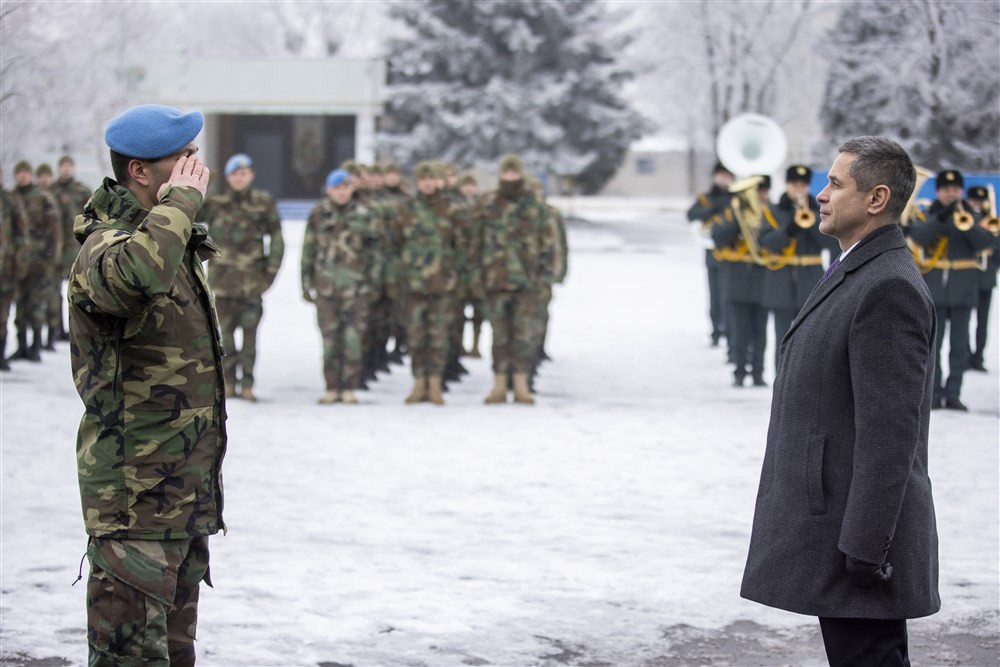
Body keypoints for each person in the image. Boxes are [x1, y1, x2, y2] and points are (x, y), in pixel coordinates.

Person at [742, 136, 939, 667]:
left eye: (835, 183)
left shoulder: (887, 287)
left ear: (876, 199)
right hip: (842, 524)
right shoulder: (861, 268)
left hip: (859, 539)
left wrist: (866, 548)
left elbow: (890, 435)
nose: (821, 195)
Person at [67, 104, 223, 665]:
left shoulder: (165, 237)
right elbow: (137, 277)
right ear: (140, 171)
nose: (194, 170)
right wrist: (180, 205)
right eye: (182, 160)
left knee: (176, 652)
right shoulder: (104, 247)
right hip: (133, 500)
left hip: (180, 494)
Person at [473, 154, 558, 405]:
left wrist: (545, 277)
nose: (510, 178)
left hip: (526, 283)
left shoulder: (535, 207)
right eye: (506, 173)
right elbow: (474, 244)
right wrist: (476, 275)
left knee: (522, 336)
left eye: (514, 173)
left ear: (521, 175)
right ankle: (499, 383)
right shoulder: (487, 204)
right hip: (495, 281)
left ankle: (521, 383)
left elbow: (549, 245)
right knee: (499, 336)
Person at [201, 153, 284, 402]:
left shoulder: (263, 202)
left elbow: (277, 238)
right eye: (235, 174)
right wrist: (202, 188)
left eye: (244, 174)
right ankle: (228, 383)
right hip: (223, 282)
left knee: (250, 337)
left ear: (252, 176)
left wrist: (270, 273)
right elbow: (190, 215)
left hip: (251, 282)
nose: (240, 178)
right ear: (228, 177)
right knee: (224, 336)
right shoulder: (216, 203)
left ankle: (248, 384)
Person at [909, 169, 993, 410]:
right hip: (934, 287)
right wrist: (941, 218)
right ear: (938, 192)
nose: (950, 194)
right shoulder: (928, 214)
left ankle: (953, 392)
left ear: (960, 191)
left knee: (958, 344)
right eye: (946, 190)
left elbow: (985, 243)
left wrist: (965, 222)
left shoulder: (972, 215)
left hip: (962, 287)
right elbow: (919, 238)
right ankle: (934, 392)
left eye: (955, 190)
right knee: (933, 344)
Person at [301, 169, 378, 404]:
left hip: (356, 288)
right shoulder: (318, 215)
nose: (342, 192)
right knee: (331, 339)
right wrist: (306, 282)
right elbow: (308, 251)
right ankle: (332, 386)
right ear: (328, 190)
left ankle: (350, 387)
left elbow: (376, 253)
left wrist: (374, 283)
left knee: (354, 340)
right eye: (337, 188)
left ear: (352, 189)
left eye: (346, 187)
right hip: (326, 288)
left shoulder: (364, 215)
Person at [389, 161, 461, 405]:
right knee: (416, 337)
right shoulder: (406, 209)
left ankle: (435, 383)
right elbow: (394, 244)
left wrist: (460, 277)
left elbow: (464, 246)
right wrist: (396, 277)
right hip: (413, 285)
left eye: (432, 179)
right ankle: (419, 382)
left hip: (443, 284)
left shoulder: (452, 209)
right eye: (423, 179)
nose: (428, 183)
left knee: (439, 337)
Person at [759, 165, 841, 370]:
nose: (799, 189)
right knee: (782, 337)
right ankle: (781, 381)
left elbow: (830, 243)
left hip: (809, 280)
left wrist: (811, 221)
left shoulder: (820, 210)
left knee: (810, 338)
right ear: (787, 185)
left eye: (803, 185)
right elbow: (766, 242)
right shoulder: (774, 212)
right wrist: (791, 229)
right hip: (781, 281)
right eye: (795, 184)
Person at [712, 175, 770, 387]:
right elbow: (717, 237)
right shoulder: (732, 213)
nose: (759, 196)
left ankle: (757, 372)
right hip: (737, 279)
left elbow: (772, 240)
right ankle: (738, 371)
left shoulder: (768, 215)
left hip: (761, 278)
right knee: (739, 331)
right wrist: (738, 220)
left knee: (760, 332)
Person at [8, 160, 61, 362]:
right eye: (18, 173)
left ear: (30, 175)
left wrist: (52, 257)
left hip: (40, 261)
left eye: (25, 173)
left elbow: (55, 230)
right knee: (20, 305)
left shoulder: (42, 198)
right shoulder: (12, 198)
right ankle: (21, 345)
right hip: (18, 261)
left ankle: (36, 345)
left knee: (37, 304)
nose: (22, 176)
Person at [687, 162, 734, 347]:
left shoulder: (737, 197)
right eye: (720, 174)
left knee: (729, 296)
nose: (723, 178)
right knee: (714, 295)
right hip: (712, 254)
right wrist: (709, 211)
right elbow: (691, 214)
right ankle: (715, 331)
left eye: (727, 174)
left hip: (732, 254)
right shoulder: (706, 198)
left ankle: (730, 332)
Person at [50, 155, 91, 341]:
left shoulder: (82, 191)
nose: (66, 169)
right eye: (63, 166)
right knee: (53, 291)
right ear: (59, 169)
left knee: (77, 289)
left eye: (68, 166)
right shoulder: (51, 192)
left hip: (77, 247)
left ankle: (75, 327)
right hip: (55, 248)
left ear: (73, 168)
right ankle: (55, 327)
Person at [966, 185, 999, 372]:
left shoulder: (991, 219)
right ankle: (965, 355)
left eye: (980, 200)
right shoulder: (964, 217)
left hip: (985, 277)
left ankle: (978, 357)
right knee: (962, 321)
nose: (977, 204)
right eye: (974, 200)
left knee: (982, 321)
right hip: (967, 275)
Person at [1, 171, 27, 369]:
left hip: (5, 268)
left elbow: (21, 235)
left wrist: (19, 263)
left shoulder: (10, 201)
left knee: (3, 313)